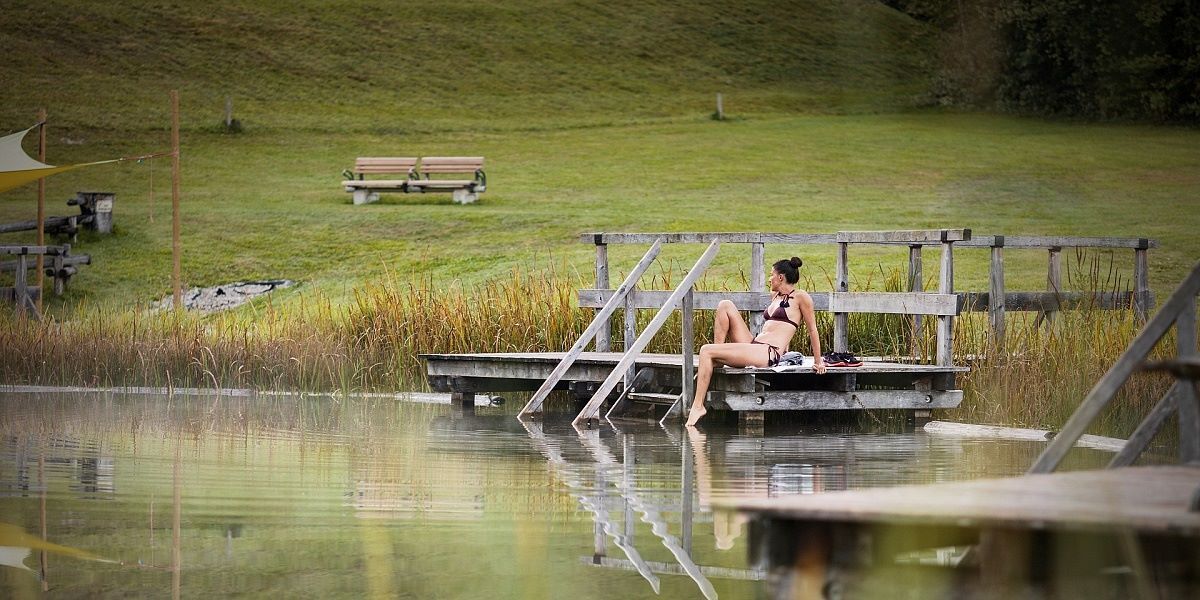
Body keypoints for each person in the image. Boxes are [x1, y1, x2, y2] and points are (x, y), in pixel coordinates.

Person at [685, 257, 825, 427]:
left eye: (771, 275)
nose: (769, 279)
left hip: (768, 352)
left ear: (781, 277)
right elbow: (777, 325)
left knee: (706, 350)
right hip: (755, 344)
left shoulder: (801, 297)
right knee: (725, 305)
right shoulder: (776, 296)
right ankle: (718, 357)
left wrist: (819, 362)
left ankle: (698, 406)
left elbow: (812, 330)